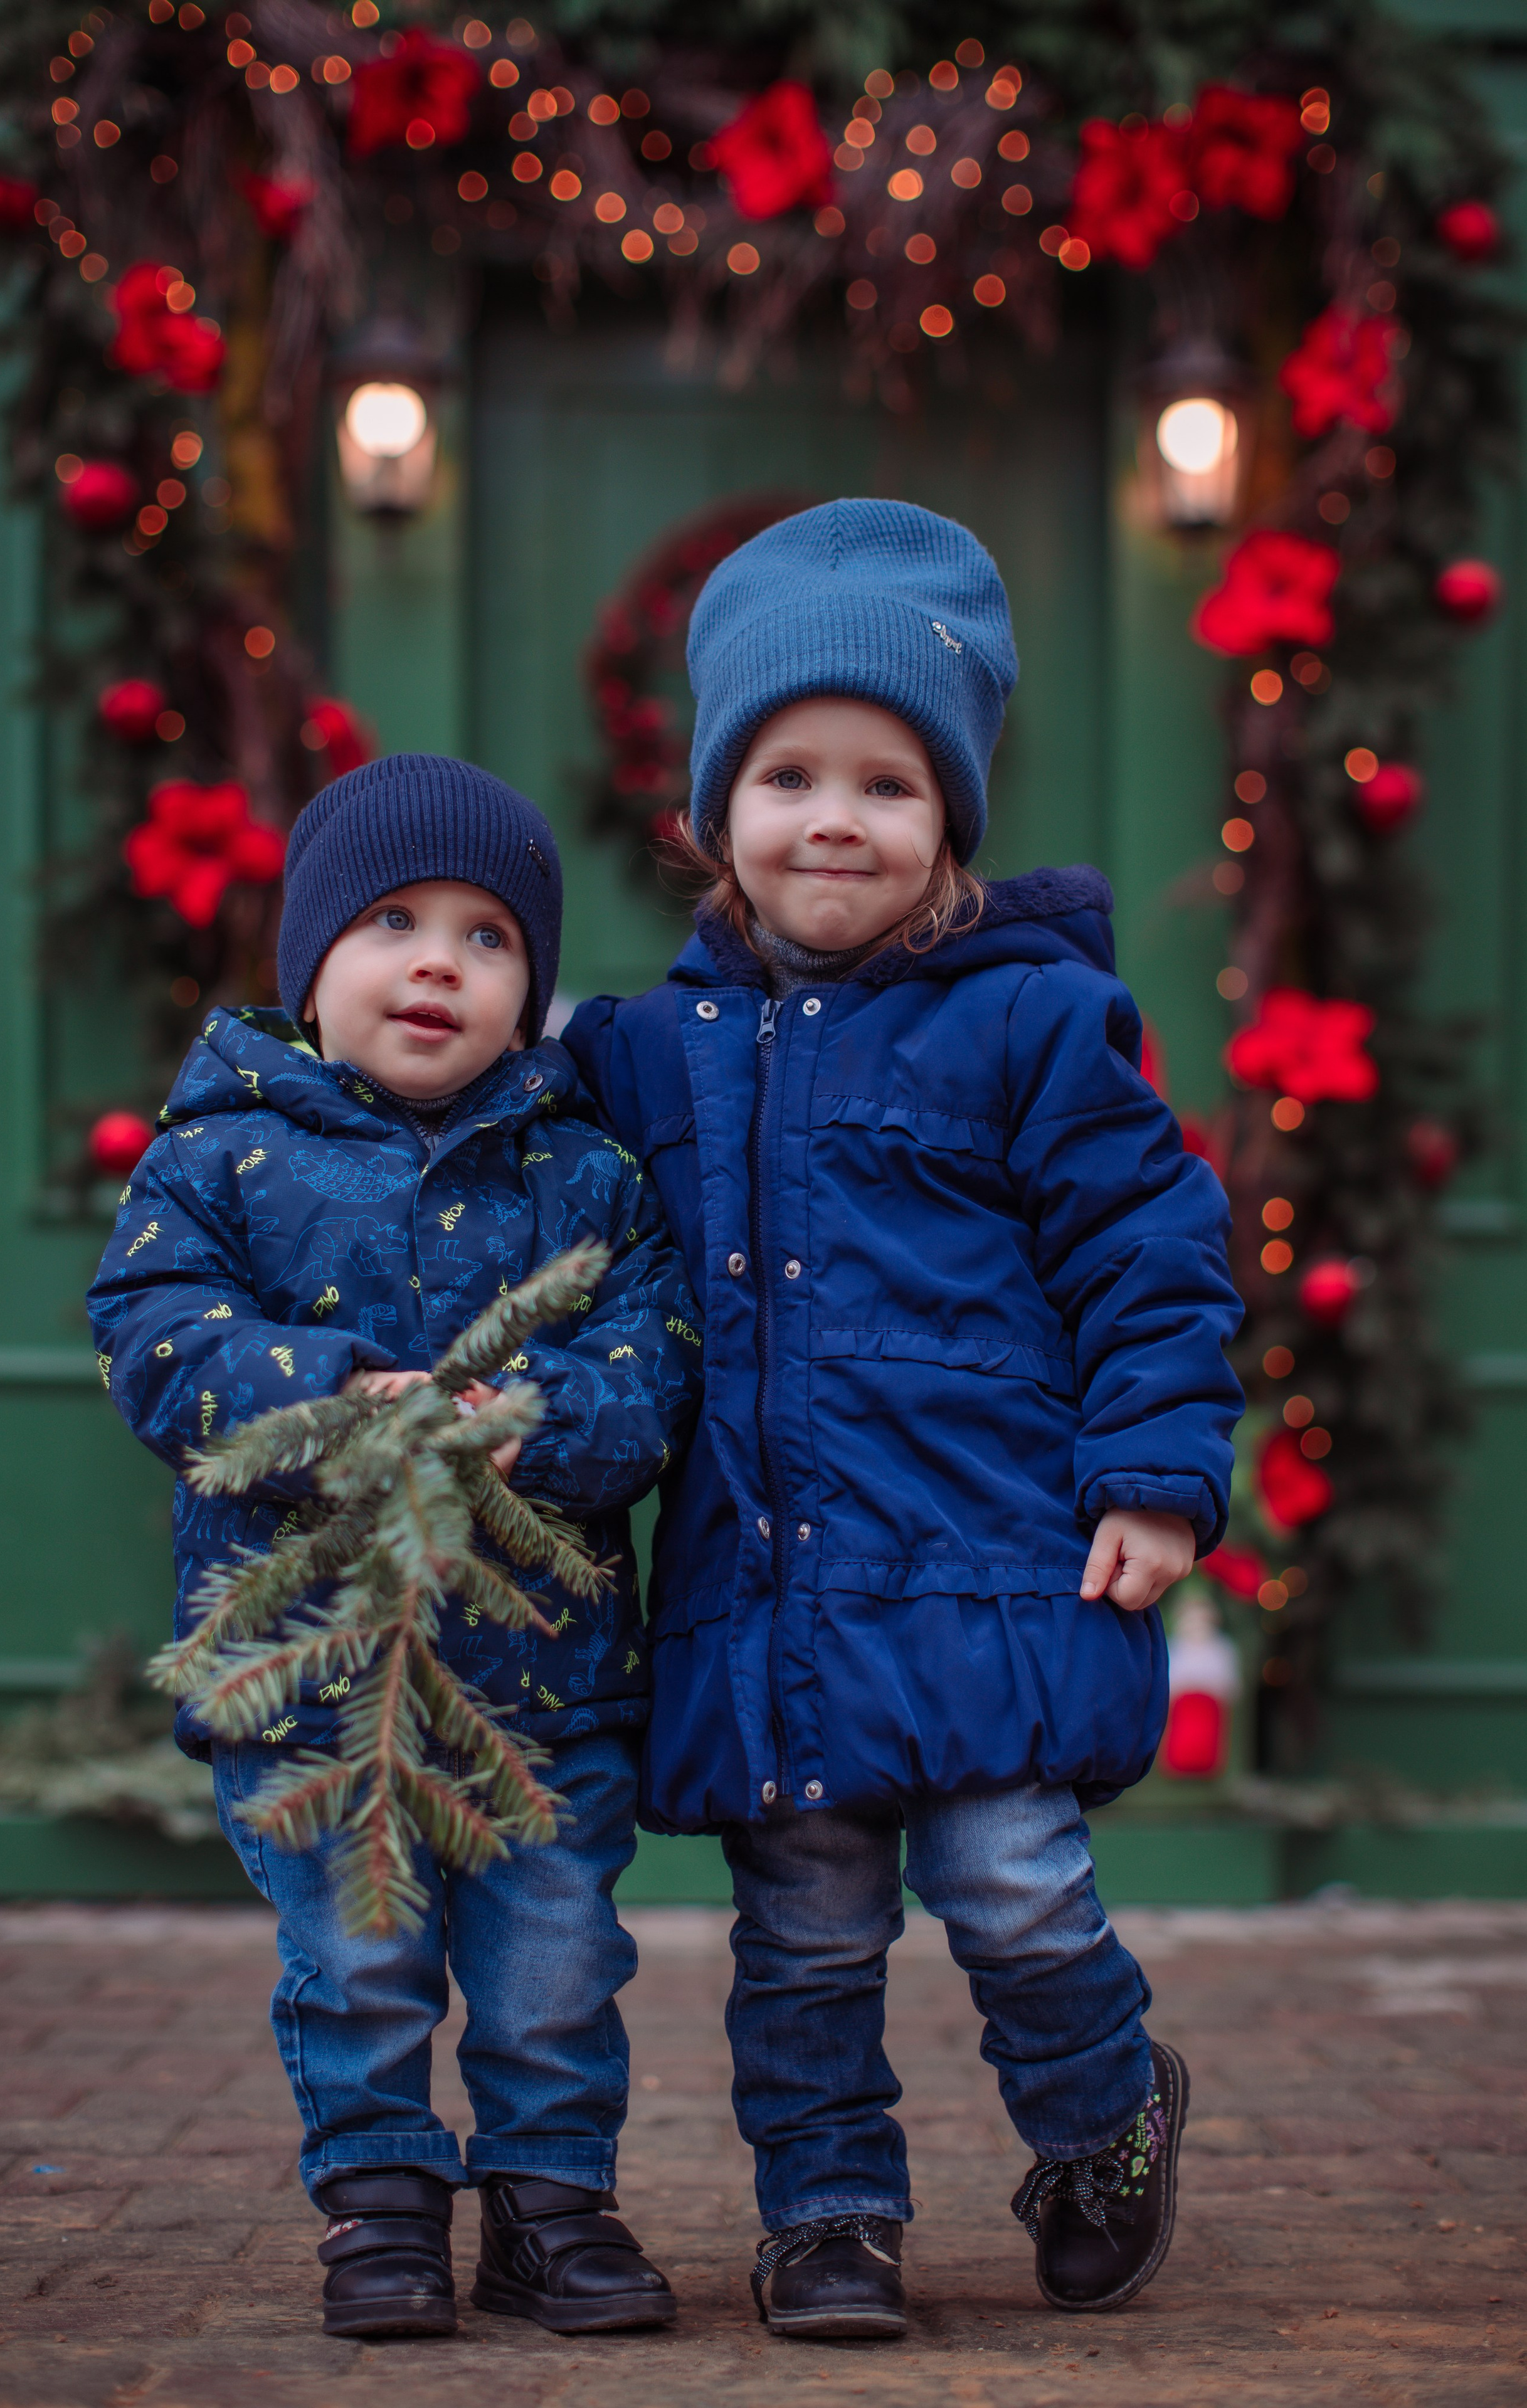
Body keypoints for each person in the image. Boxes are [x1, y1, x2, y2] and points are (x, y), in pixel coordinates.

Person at [563, 501, 1245, 2338]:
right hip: (774, 1588)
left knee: (1014, 1886)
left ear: (952, 820)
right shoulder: (646, 1053)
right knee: (802, 1937)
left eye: (888, 780)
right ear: (716, 812)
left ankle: (1104, 2119)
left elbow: (1150, 1251)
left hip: (991, 1566)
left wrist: (1161, 1476)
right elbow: (516, 1171)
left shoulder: (1033, 1020)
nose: (837, 817)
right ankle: (830, 2215)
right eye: (787, 774)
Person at [89, 754, 703, 2342]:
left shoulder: (587, 1175)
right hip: (313, 1681)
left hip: (540, 1686)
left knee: (556, 1966)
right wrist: (322, 1390)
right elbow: (154, 1333)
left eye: (490, 937)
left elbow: (654, 1368)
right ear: (310, 963)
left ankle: (552, 2211)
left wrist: (535, 1410)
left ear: (530, 990)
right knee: (356, 1963)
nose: (439, 961)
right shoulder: (221, 1149)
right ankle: (378, 2210)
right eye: (391, 921)